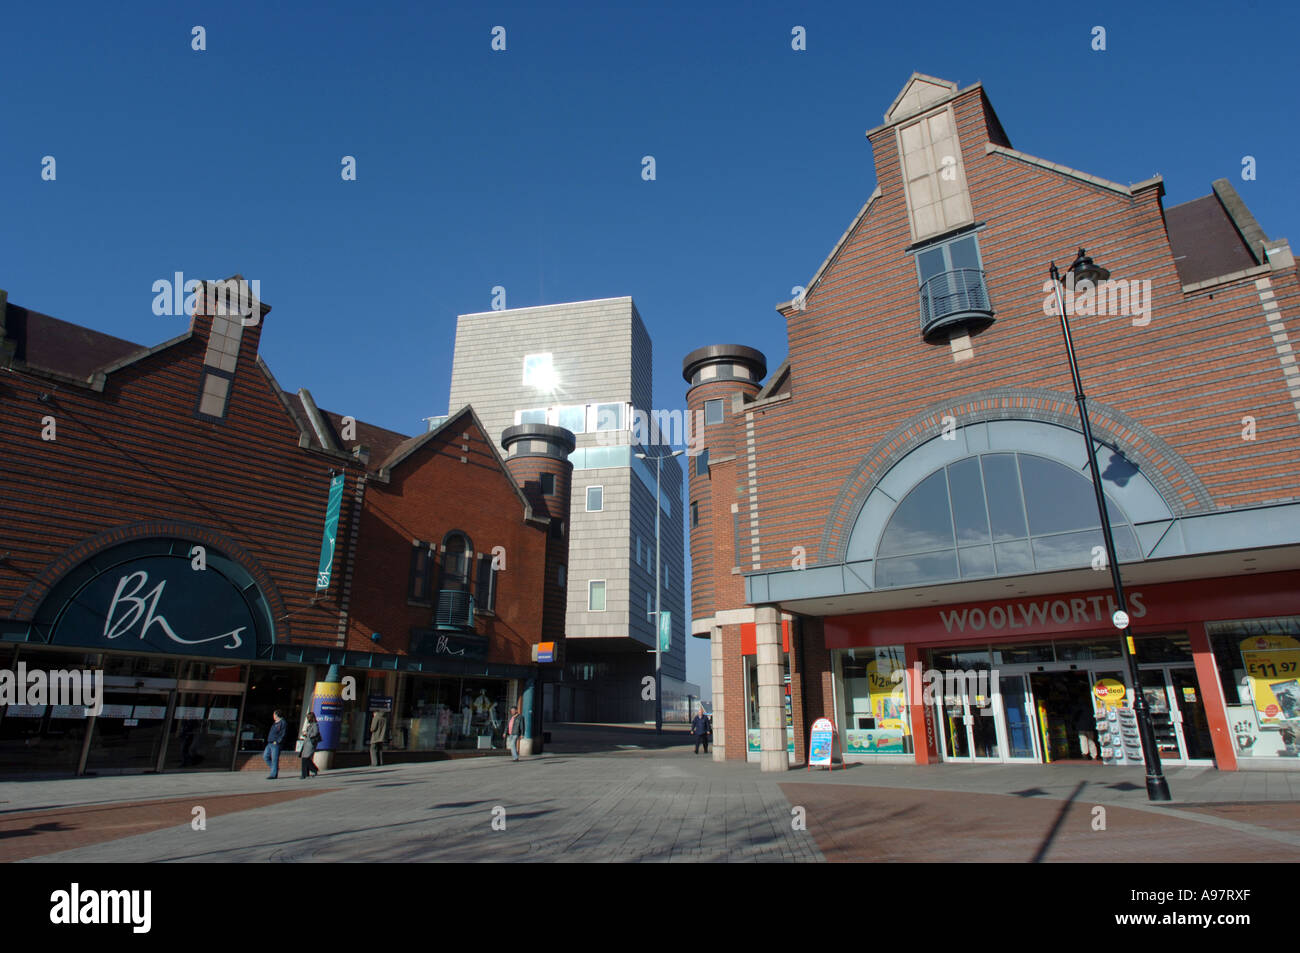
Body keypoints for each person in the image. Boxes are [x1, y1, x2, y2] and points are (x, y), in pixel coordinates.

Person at [263, 710, 286, 779]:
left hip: (275, 744)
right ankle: (274, 768)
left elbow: (283, 734)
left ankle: (273, 774)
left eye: (274, 714)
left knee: (274, 759)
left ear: (276, 715)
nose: (273, 716)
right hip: (270, 742)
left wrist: (278, 741)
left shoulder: (282, 723)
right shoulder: (275, 723)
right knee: (265, 756)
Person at [299, 711, 321, 779]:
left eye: (308, 717)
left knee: (305, 758)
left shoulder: (315, 725)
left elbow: (315, 733)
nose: (308, 719)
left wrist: (307, 734)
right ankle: (306, 773)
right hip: (307, 743)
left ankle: (312, 770)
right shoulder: (310, 725)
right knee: (305, 758)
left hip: (310, 743)